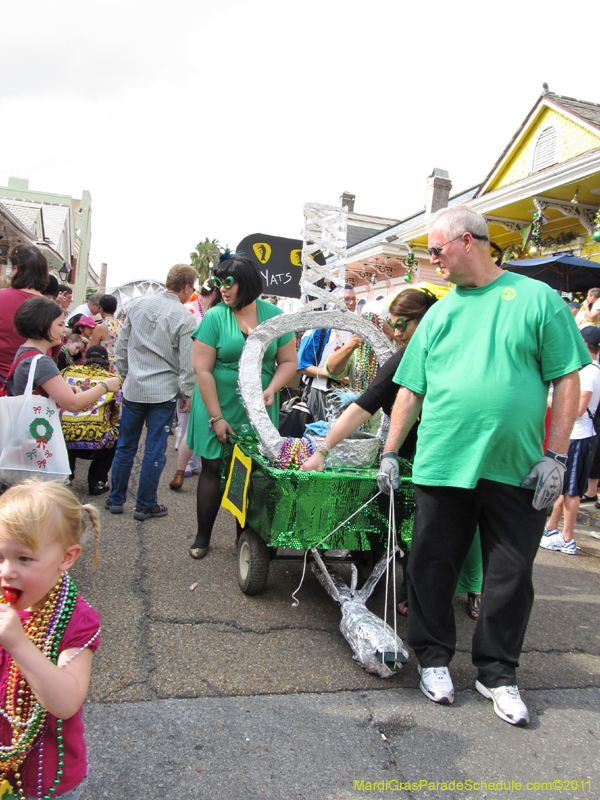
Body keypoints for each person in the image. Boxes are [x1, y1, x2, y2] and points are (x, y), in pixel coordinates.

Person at [376, 206, 588, 726]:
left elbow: (567, 380)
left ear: (467, 242)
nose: (432, 260)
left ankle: (498, 673)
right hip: (443, 462)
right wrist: (388, 450)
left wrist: (556, 457)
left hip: (517, 467)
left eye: (436, 250)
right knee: (431, 564)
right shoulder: (442, 313)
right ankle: (432, 659)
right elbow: (410, 388)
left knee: (511, 575)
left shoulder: (537, 299)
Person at [301, 288, 482, 619]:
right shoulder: (402, 360)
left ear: (427, 318)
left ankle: (472, 587)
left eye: (403, 325)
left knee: (463, 530)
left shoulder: (461, 351)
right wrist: (323, 450)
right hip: (415, 461)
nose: (396, 333)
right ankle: (417, 590)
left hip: (461, 455)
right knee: (421, 530)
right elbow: (362, 406)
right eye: (393, 325)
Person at [187, 254, 298, 559]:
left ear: (247, 284)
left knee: (249, 472)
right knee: (212, 468)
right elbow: (203, 370)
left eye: (229, 283)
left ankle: (246, 540)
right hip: (216, 402)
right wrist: (217, 417)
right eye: (219, 282)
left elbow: (288, 361)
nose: (223, 289)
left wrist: (272, 388)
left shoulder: (274, 314)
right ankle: (203, 536)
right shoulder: (214, 317)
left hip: (258, 407)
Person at [0, 479, 101, 799]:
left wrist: (18, 644)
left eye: (23, 559)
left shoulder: (76, 620)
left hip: (46, 782)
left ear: (66, 558)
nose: (6, 571)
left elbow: (66, 701)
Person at [104, 265, 197, 520]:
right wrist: (187, 393)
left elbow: (122, 346)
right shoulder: (184, 317)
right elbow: (187, 362)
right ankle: (145, 504)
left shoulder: (137, 306)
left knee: (125, 446)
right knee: (154, 449)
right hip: (163, 390)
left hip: (134, 387)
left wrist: (124, 375)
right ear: (187, 287)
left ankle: (116, 499)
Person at [541, 326, 600, 554]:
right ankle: (551, 528)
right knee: (564, 487)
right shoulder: (589, 369)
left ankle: (568, 538)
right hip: (575, 437)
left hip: (579, 436)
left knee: (572, 491)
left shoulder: (588, 372)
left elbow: (578, 409)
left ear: (584, 344)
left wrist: (548, 400)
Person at [6, 297, 121, 414]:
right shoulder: (42, 362)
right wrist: (105, 385)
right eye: (60, 324)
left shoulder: (25, 351)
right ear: (42, 326)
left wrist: (64, 390)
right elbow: (74, 403)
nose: (64, 330)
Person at [167, 278, 217, 490]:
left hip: (202, 374)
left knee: (193, 425)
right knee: (189, 424)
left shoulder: (210, 312)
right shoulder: (189, 311)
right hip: (192, 375)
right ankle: (184, 466)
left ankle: (189, 465)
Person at [61, 346, 123, 496]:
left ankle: (66, 476)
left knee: (66, 430)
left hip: (64, 438)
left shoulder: (67, 372)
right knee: (115, 436)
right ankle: (96, 482)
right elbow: (115, 411)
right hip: (96, 441)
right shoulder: (111, 379)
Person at [296, 286, 356, 422]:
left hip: (347, 396)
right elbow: (301, 366)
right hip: (320, 394)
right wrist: (333, 376)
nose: (352, 303)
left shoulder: (355, 330)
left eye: (354, 299)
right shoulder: (319, 328)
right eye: (347, 299)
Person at [0, 245, 50, 384]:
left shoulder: (2, 296)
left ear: (16, 268)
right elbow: (55, 348)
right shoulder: (51, 308)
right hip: (34, 382)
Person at [88, 295, 121, 373]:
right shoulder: (122, 326)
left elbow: (91, 350)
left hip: (105, 367)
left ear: (101, 308)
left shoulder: (101, 327)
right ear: (115, 309)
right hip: (119, 366)